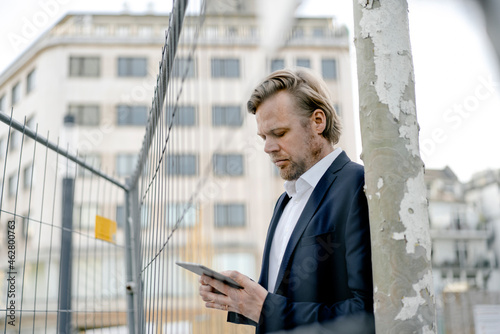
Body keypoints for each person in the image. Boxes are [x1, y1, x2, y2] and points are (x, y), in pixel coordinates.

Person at [199, 68, 374, 333]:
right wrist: (238, 299)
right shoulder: (285, 201)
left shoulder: (356, 185)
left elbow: (367, 313)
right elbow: (281, 299)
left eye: (279, 133)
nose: (268, 148)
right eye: (263, 137)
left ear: (318, 121)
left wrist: (265, 309)